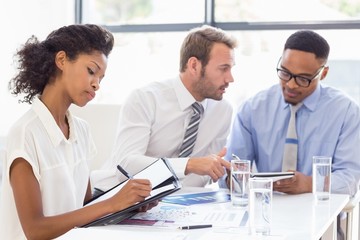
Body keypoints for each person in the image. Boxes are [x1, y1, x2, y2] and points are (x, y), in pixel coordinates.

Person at [0, 24, 157, 240]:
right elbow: (35, 230)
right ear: (62, 60)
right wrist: (112, 203)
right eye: (91, 71)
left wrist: (129, 205)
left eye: (101, 78)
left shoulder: (81, 130)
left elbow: (84, 207)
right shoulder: (26, 133)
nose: (96, 84)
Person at [221, 30, 360, 238]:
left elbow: (349, 179)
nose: (291, 84)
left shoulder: (346, 111)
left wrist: (307, 184)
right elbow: (233, 170)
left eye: (303, 78)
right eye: (285, 73)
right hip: (261, 224)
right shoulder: (253, 108)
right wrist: (232, 177)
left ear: (323, 73)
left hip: (322, 228)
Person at [92, 25, 238, 190]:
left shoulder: (223, 110)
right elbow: (126, 165)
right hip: (118, 196)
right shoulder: (145, 99)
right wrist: (189, 164)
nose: (230, 78)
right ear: (194, 66)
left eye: (231, 69)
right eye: (223, 69)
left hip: (181, 203)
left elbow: (206, 173)